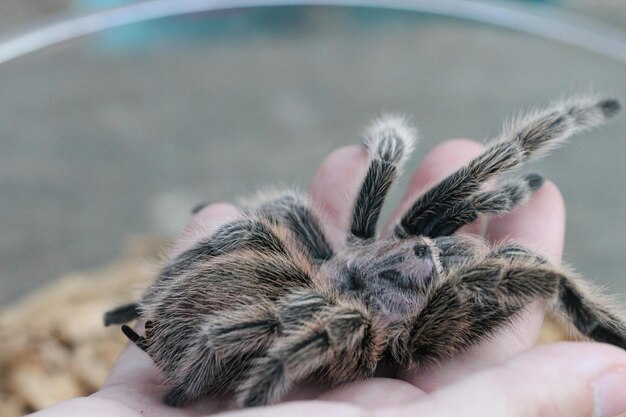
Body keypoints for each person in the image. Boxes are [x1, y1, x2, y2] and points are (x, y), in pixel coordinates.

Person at [30, 140, 626, 417]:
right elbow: (329, 314)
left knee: (259, 224)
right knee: (538, 275)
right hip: (291, 327)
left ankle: (154, 307)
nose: (430, 245)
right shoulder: (362, 319)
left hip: (284, 303)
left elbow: (286, 217)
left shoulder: (348, 252)